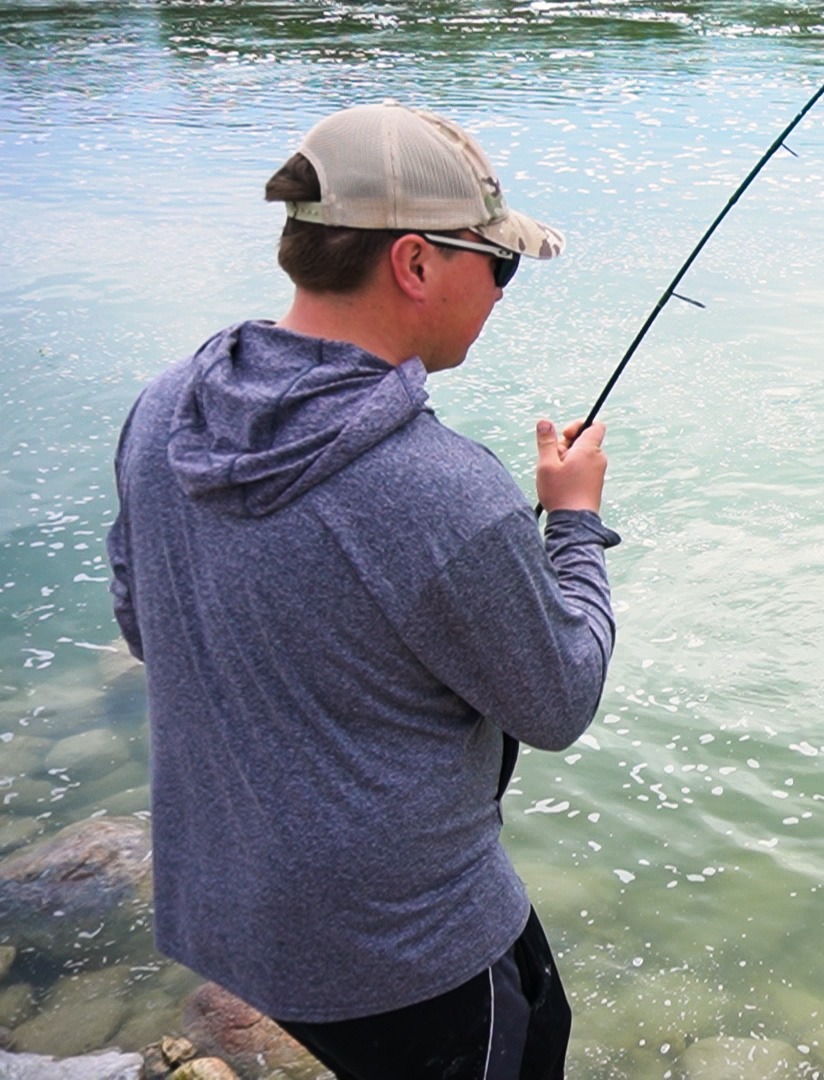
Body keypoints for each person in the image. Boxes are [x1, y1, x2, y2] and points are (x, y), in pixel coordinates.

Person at [107, 102, 618, 1079]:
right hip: (406, 953)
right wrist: (575, 522)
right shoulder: (443, 490)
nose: (504, 293)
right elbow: (558, 701)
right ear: (416, 263)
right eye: (496, 264)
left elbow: (144, 623)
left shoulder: (168, 403)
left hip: (231, 911)